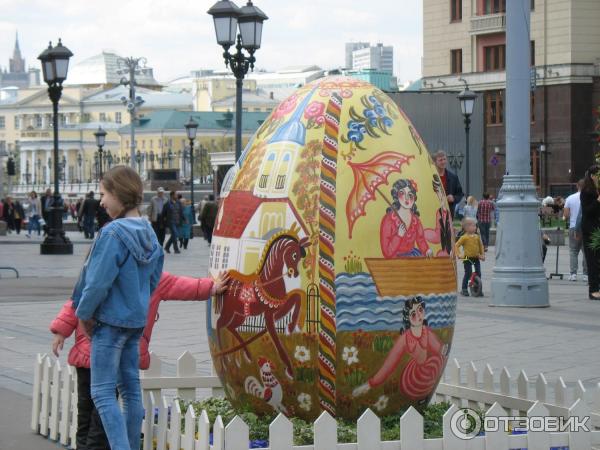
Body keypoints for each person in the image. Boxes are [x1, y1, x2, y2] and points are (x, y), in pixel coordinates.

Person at [50, 270, 229, 450]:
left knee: (87, 415)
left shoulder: (101, 270)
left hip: (88, 353)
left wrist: (60, 330)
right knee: (101, 419)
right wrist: (212, 287)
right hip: (113, 356)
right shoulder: (152, 276)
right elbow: (183, 286)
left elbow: (77, 301)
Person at [73, 165, 164, 450]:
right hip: (134, 322)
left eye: (104, 194)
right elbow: (153, 281)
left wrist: (84, 314)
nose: (101, 201)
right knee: (130, 391)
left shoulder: (112, 234)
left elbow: (97, 283)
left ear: (119, 194)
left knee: (101, 393)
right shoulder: (149, 233)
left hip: (110, 323)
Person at [352, 296, 448, 402]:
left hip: (430, 369)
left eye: (420, 310)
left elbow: (439, 348)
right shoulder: (405, 339)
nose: (419, 316)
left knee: (437, 360)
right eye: (413, 314)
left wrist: (443, 350)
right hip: (413, 376)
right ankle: (419, 397)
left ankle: (424, 397)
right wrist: (370, 384)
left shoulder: (426, 332)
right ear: (408, 318)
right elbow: (389, 365)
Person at [380, 179, 432, 257]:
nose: (407, 198)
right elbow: (386, 252)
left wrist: (426, 250)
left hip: (412, 256)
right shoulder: (388, 220)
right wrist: (399, 235)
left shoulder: (415, 220)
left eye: (410, 195)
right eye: (402, 193)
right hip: (395, 260)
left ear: (414, 198)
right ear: (396, 195)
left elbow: (421, 240)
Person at [580, 165, 600, 300]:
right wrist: (598, 201)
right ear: (592, 176)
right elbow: (587, 211)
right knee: (592, 260)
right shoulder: (586, 192)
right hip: (590, 230)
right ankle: (593, 290)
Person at [564, 180, 588, 282]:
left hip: (573, 226)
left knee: (573, 251)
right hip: (586, 227)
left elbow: (566, 215)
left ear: (577, 186)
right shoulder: (589, 197)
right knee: (586, 251)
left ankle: (573, 274)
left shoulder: (570, 198)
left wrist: (568, 218)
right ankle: (586, 274)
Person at [454, 217, 485, 297]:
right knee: (468, 273)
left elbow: (481, 245)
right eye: (473, 226)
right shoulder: (464, 237)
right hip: (467, 258)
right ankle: (464, 289)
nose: (475, 227)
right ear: (467, 228)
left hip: (476, 257)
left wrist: (482, 255)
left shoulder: (477, 237)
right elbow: (456, 245)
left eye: (475, 226)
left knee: (478, 273)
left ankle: (477, 289)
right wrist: (459, 254)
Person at [424, 174, 453, 256]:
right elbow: (438, 233)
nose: (440, 196)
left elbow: (449, 231)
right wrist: (424, 233)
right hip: (442, 245)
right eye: (438, 193)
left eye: (441, 192)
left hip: (446, 247)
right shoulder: (439, 212)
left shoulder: (445, 212)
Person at [432, 150, 464, 219]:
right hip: (433, 212)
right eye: (440, 160)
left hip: (448, 213)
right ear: (434, 162)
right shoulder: (430, 177)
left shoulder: (453, 177)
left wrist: (453, 198)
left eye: (444, 159)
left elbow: (460, 194)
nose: (443, 162)